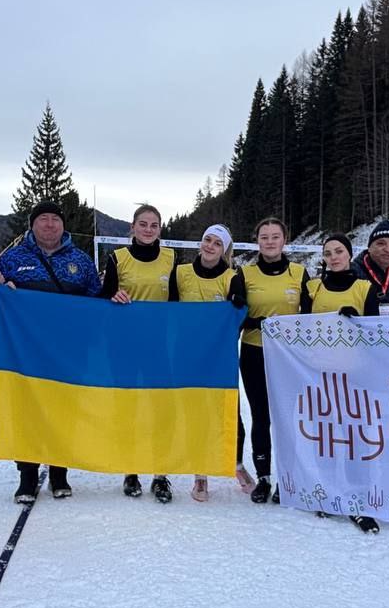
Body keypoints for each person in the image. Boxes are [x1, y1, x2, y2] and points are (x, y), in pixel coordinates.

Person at [0, 200, 102, 503]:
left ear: (63, 225)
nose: (50, 224)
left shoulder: (81, 261)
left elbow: (96, 302)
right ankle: (27, 477)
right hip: (27, 352)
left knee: (65, 410)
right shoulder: (14, 258)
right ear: (32, 224)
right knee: (28, 411)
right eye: (44, 219)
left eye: (55, 219)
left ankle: (59, 474)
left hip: (69, 351)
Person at [226, 217, 312, 504]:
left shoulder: (300, 274)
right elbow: (235, 314)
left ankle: (291, 478)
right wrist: (255, 320)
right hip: (254, 353)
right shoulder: (244, 274)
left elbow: (311, 317)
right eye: (264, 237)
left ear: (284, 240)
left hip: (289, 358)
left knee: (289, 418)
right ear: (257, 241)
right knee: (261, 417)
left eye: (275, 236)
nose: (270, 241)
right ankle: (264, 478)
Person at [100, 204, 177, 503]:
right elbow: (102, 298)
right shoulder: (117, 258)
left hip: (158, 347)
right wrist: (111, 296)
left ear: (160, 229)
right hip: (124, 345)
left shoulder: (171, 258)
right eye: (142, 224)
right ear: (132, 227)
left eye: (154, 225)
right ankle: (130, 469)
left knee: (161, 408)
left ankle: (160, 474)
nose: (148, 229)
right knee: (128, 407)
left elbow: (179, 302)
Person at [308, 233, 380, 533]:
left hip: (356, 375)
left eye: (338, 251)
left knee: (354, 437)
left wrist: (358, 324)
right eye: (327, 253)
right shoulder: (313, 288)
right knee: (324, 435)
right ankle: (326, 492)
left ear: (349, 254)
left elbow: (378, 334)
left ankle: (357, 498)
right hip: (319, 373)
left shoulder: (365, 288)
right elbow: (299, 324)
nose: (333, 257)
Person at [168, 223, 242, 502]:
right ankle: (200, 474)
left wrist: (237, 303)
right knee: (192, 412)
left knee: (224, 411)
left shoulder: (231, 277)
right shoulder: (181, 273)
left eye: (217, 243)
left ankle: (235, 464)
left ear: (224, 250)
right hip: (185, 354)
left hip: (216, 357)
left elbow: (239, 312)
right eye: (207, 240)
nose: (210, 246)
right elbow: (169, 310)